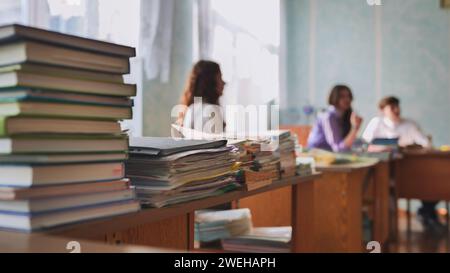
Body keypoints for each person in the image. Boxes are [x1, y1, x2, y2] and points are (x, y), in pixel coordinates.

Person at [362, 96, 442, 232]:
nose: (397, 110)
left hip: (412, 170)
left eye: (397, 106)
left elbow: (426, 144)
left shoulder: (409, 124)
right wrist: (384, 148)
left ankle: (426, 212)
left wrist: (408, 147)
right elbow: (364, 145)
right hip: (383, 170)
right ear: (382, 110)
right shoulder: (376, 123)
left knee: (436, 182)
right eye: (392, 107)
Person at [307, 85, 363, 152]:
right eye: (342, 96)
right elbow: (338, 149)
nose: (347, 99)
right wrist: (355, 128)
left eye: (348, 96)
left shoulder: (347, 115)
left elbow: (348, 144)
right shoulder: (328, 117)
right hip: (318, 154)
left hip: (332, 154)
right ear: (334, 98)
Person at [177, 60, 226, 135]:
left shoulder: (190, 109)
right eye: (220, 77)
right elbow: (218, 144)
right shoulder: (211, 111)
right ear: (210, 82)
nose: (224, 83)